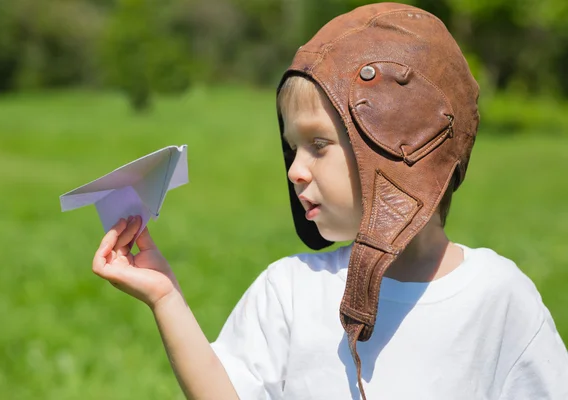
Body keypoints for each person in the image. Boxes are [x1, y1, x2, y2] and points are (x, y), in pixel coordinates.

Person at [91, 3, 568, 399]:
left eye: (318, 145)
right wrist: (165, 296)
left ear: (398, 144)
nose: (296, 169)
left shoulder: (497, 297)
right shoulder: (290, 290)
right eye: (292, 147)